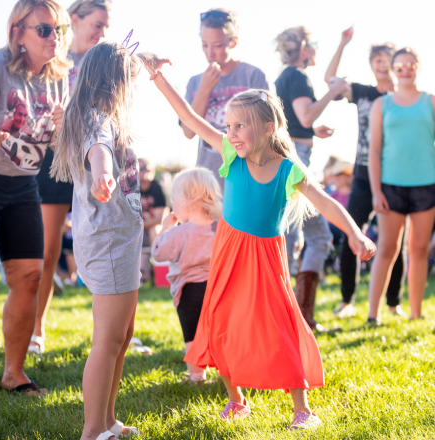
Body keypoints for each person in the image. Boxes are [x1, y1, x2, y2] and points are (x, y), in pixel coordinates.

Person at [146, 58, 376, 428]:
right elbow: (189, 117)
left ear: (268, 127)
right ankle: (236, 400)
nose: (232, 133)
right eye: (229, 126)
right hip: (228, 253)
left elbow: (326, 202)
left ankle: (302, 409)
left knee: (277, 327)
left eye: (241, 126)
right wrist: (158, 77)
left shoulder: (288, 169)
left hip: (265, 259)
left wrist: (354, 232)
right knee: (220, 320)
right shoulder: (228, 157)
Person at [52, 43, 164, 440]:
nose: (134, 87)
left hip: (121, 239)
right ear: (114, 82)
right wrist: (103, 174)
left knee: (123, 334)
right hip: (109, 242)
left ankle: (108, 421)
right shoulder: (98, 118)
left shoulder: (104, 114)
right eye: (130, 79)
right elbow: (98, 150)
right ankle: (91, 431)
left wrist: (152, 64)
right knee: (108, 339)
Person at [0, 0, 70, 394]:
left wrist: (62, 130)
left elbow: (59, 148)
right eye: (43, 29)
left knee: (29, 277)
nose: (53, 37)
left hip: (24, 185)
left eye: (57, 29)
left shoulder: (59, 78)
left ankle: (13, 373)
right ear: (17, 33)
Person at [30, 0, 111, 355]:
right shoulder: (54, 61)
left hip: (93, 165)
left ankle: (110, 331)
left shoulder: (104, 63)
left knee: (102, 249)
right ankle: (36, 330)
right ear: (73, 21)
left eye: (106, 26)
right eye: (96, 24)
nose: (102, 32)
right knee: (48, 252)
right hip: (53, 165)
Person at [324, 27, 406, 319]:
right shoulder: (363, 93)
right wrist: (342, 43)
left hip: (396, 175)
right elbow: (330, 81)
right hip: (361, 174)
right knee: (351, 234)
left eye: (386, 58)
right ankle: (348, 301)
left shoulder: (404, 97)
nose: (381, 64)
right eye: (376, 59)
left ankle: (393, 303)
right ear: (371, 64)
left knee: (392, 240)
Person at [274, 26, 348, 331]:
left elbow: (293, 122)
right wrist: (333, 91)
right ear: (303, 48)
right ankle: (297, 319)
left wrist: (310, 132)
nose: (316, 48)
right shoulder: (299, 76)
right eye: (314, 44)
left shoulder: (283, 77)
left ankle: (296, 318)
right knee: (310, 239)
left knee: (304, 238)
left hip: (287, 156)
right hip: (296, 161)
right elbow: (305, 116)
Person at [368, 47, 435, 324]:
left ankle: (416, 314)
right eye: (400, 66)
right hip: (390, 187)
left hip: (426, 186)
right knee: (386, 248)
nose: (405, 69)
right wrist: (376, 192)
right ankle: (373, 315)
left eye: (411, 64)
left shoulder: (430, 102)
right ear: (393, 70)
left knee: (418, 249)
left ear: (418, 67)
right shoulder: (382, 104)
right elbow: (374, 151)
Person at [181, 8, 269, 192]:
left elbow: (268, 128)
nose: (210, 53)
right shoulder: (195, 81)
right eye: (205, 45)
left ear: (233, 42)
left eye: (217, 45)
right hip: (208, 177)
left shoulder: (252, 75)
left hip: (247, 174)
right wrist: (204, 89)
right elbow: (188, 132)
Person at [152, 168, 221, 383]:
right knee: (219, 332)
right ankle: (229, 370)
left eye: (174, 199)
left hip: (189, 290)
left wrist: (164, 228)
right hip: (217, 287)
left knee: (192, 335)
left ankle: (196, 376)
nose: (173, 204)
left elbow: (157, 253)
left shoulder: (177, 232)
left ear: (188, 200)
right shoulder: (220, 228)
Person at [138, 157, 168, 283]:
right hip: (139, 228)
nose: (143, 172)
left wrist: (138, 224)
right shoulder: (130, 189)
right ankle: (142, 276)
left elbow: (159, 220)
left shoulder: (158, 188)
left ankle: (159, 273)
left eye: (144, 168)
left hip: (157, 230)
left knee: (152, 230)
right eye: (138, 169)